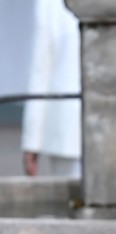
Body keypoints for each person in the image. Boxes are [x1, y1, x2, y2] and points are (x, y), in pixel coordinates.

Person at [21, 0, 81, 178]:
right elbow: (41, 69)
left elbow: (41, 69)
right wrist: (31, 141)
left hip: (67, 128)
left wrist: (31, 141)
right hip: (67, 131)